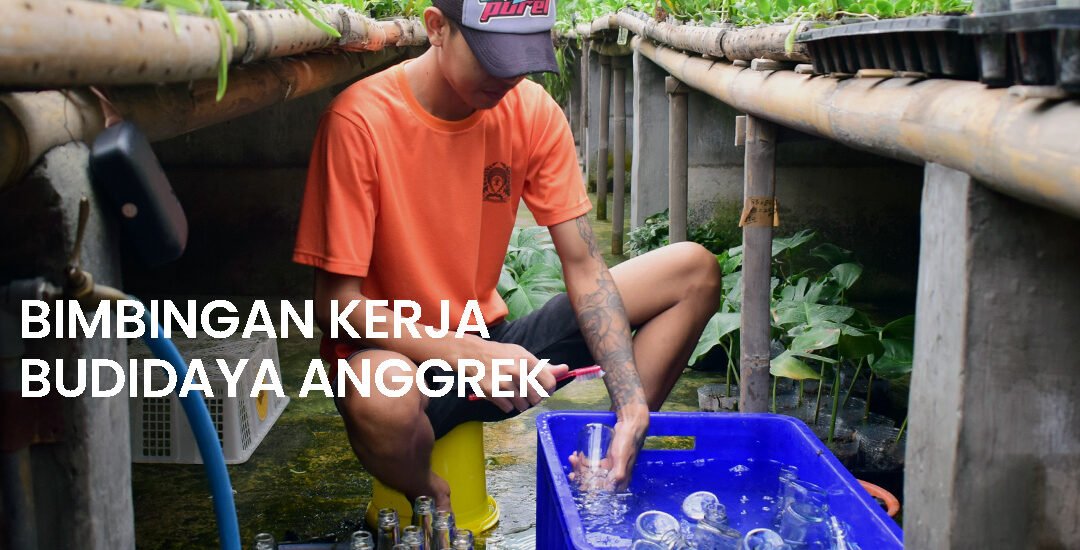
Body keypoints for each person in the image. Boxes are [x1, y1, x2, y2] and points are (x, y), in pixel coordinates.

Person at [292, 0, 720, 513]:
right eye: (494, 57)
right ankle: (430, 496)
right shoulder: (358, 121)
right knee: (383, 397)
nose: (510, 75)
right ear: (437, 28)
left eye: (523, 58)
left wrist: (631, 405)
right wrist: (474, 356)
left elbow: (584, 267)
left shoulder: (532, 110)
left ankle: (608, 459)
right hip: (392, 356)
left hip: (489, 345)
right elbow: (335, 304)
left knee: (692, 272)